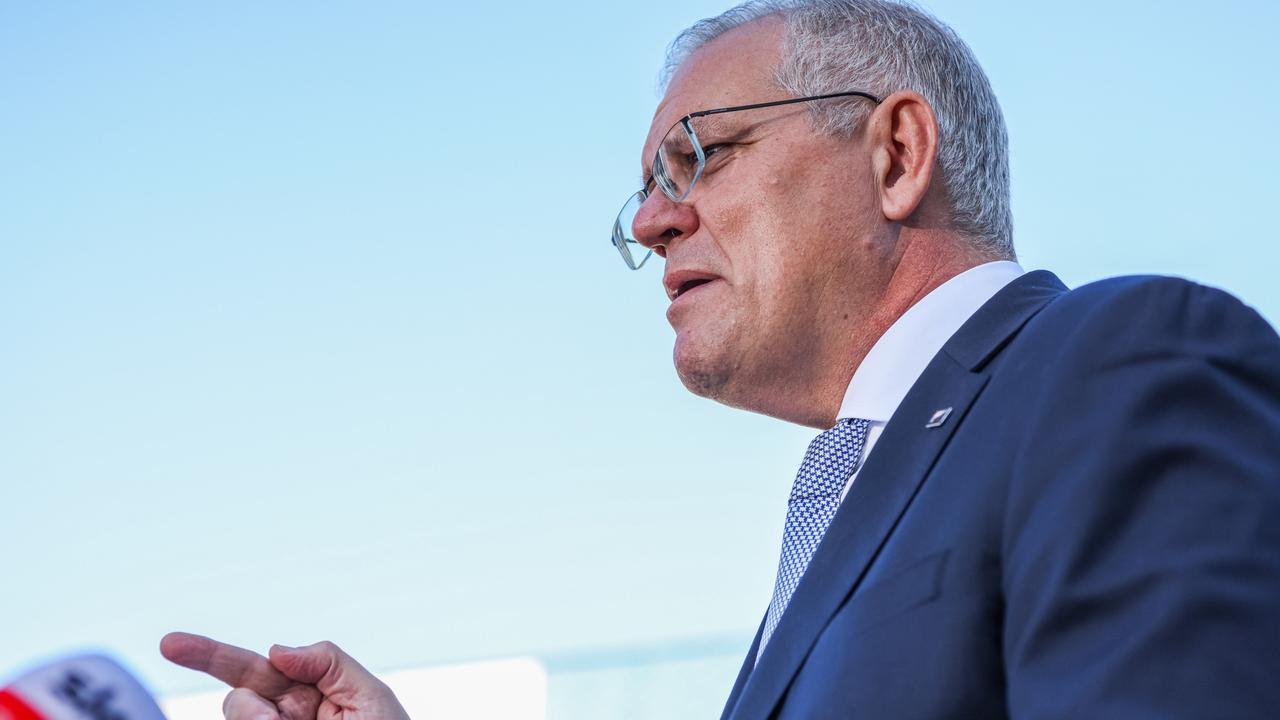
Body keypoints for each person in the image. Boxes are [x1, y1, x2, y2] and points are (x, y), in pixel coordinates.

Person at [162, 1, 1280, 717]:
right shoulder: (853, 502)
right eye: (644, 190)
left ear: (894, 153)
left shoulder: (1118, 360)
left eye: (698, 157)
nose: (651, 222)